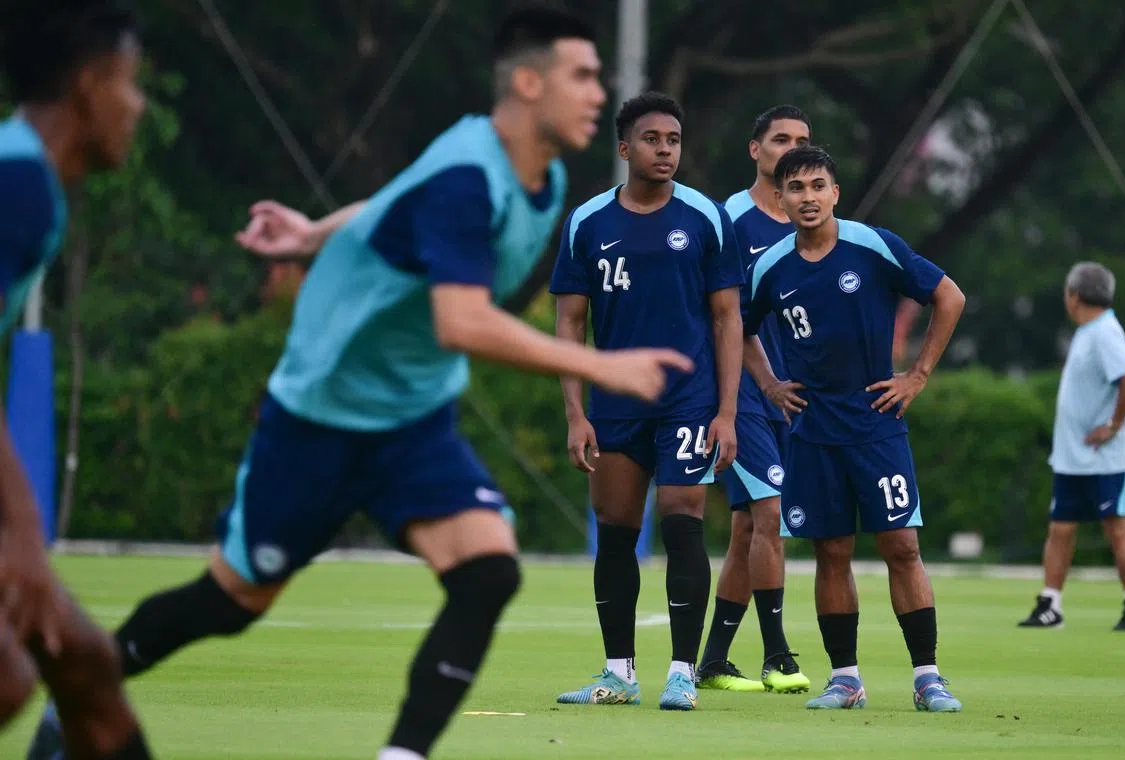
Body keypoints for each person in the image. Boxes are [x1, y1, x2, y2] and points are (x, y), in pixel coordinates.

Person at [27, 8, 694, 760]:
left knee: (487, 572)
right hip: (319, 419)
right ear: (530, 82)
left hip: (411, 420)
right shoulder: (473, 174)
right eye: (583, 75)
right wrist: (602, 366)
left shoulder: (527, 175)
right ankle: (79, 697)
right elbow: (462, 323)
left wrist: (313, 233)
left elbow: (392, 203)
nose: (599, 93)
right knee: (230, 601)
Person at [743, 146, 966, 712]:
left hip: (876, 427)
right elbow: (734, 326)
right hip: (813, 433)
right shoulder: (770, 266)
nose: (808, 197)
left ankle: (928, 678)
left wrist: (916, 375)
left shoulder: (872, 245)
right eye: (796, 188)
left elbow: (948, 295)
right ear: (781, 197)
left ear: (835, 193)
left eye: (818, 186)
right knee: (831, 553)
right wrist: (769, 384)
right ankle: (845, 679)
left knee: (902, 546)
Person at [550, 92, 743, 712]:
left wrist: (728, 412)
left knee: (683, 523)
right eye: (653, 139)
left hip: (689, 401)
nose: (666, 150)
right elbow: (569, 325)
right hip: (613, 406)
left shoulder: (707, 217)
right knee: (615, 532)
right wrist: (576, 413)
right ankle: (618, 673)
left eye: (674, 140)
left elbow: (727, 319)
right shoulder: (588, 223)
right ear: (625, 147)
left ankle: (682, 672)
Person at [0, 2, 155, 758]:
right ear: (91, 87)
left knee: (85, 667)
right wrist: (25, 538)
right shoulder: (19, 185)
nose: (138, 106)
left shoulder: (33, 184)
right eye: (130, 84)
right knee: (9, 676)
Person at [697, 105, 812, 694]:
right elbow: (723, 319)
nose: (792, 149)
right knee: (769, 517)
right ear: (755, 149)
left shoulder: (811, 222)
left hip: (795, 396)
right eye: (781, 140)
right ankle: (778, 657)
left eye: (802, 141)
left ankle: (714, 660)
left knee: (748, 527)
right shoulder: (728, 219)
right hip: (740, 392)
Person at [1018, 262, 1125, 631]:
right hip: (1073, 456)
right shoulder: (1089, 331)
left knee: (1116, 527)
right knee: (1061, 528)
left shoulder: (1104, 332)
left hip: (1105, 457)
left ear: (1074, 296)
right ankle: (1050, 604)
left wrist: (1114, 425)